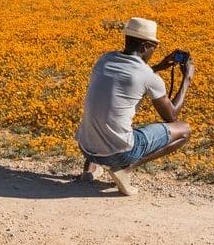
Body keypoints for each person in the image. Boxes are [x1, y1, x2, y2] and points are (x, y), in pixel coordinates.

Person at [75, 17, 193, 196]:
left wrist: (160, 66)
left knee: (103, 113)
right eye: (154, 46)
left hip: (85, 147)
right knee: (184, 130)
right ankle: (126, 169)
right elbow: (171, 117)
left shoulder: (104, 59)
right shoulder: (147, 76)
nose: (154, 50)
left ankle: (89, 170)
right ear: (146, 46)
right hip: (118, 154)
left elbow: (130, 78)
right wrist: (187, 79)